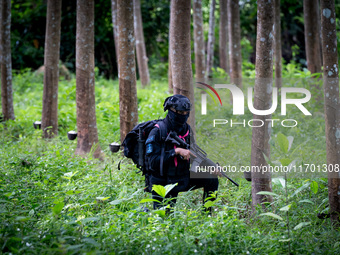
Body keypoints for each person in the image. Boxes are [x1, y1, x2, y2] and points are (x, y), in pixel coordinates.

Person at [145, 94, 219, 210]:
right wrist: (175, 151)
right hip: (163, 182)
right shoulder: (158, 131)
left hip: (181, 177)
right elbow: (153, 162)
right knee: (164, 218)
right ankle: (146, 213)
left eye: (186, 113)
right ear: (170, 110)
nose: (183, 116)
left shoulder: (186, 129)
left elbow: (194, 153)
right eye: (180, 113)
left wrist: (211, 166)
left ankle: (207, 216)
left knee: (211, 178)